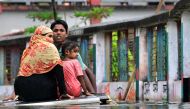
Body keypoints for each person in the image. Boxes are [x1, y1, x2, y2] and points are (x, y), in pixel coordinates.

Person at [6, 25, 73, 102]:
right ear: (40, 36)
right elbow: (59, 70)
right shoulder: (49, 46)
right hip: (42, 90)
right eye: (50, 36)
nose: (52, 39)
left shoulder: (27, 50)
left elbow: (22, 72)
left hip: (23, 91)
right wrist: (63, 93)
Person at [50, 19, 97, 93]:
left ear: (66, 34)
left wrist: (93, 94)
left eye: (62, 30)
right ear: (51, 33)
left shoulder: (71, 50)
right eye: (55, 30)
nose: (58, 33)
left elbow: (83, 73)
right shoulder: (47, 49)